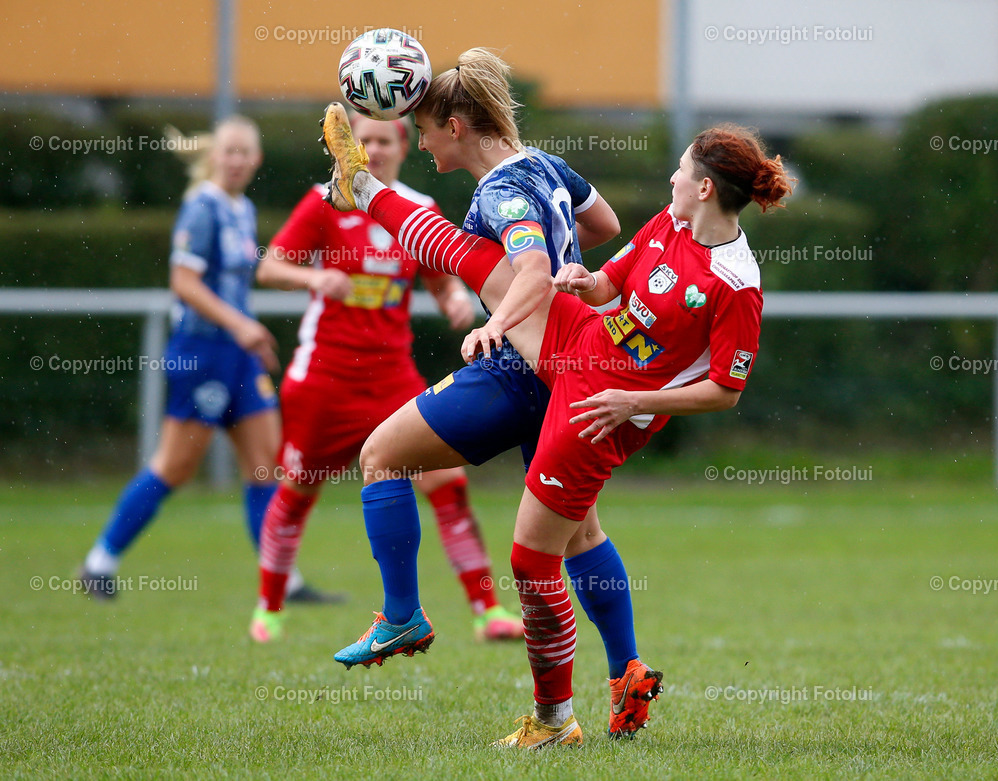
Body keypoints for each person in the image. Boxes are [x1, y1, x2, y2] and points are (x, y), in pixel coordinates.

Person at [321, 106, 794, 746]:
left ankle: (553, 721)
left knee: (530, 558)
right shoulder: (670, 223)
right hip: (582, 339)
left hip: (600, 409)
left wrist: (631, 401)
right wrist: (586, 278)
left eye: (682, 170)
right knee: (484, 263)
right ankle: (368, 190)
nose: (673, 179)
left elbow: (724, 392)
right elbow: (609, 284)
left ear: (707, 187)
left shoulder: (735, 283)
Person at [326, 50, 658, 740]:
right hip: (568, 376)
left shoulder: (500, 192)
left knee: (382, 455)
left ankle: (402, 615)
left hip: (516, 372)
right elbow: (604, 227)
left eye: (425, 129)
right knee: (580, 536)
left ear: (455, 124)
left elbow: (528, 263)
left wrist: (499, 321)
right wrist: (571, 276)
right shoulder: (544, 165)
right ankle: (627, 673)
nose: (421, 142)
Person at [248, 112, 524, 643]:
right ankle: (270, 605)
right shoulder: (324, 200)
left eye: (383, 141)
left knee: (446, 481)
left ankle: (486, 611)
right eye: (363, 140)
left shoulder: (417, 210)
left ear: (404, 147)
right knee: (298, 490)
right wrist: (313, 276)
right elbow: (270, 267)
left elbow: (440, 276)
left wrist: (453, 300)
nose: (371, 151)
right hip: (323, 377)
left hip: (391, 374)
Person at [78, 116, 323, 603]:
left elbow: (231, 285)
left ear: (256, 159)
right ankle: (99, 562)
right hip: (200, 352)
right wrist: (241, 325)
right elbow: (184, 284)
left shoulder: (243, 208)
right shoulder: (201, 208)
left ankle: (281, 580)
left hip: (238, 353)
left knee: (264, 466)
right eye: (227, 151)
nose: (235, 160)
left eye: (244, 153)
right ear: (214, 156)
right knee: (175, 467)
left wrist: (250, 334)